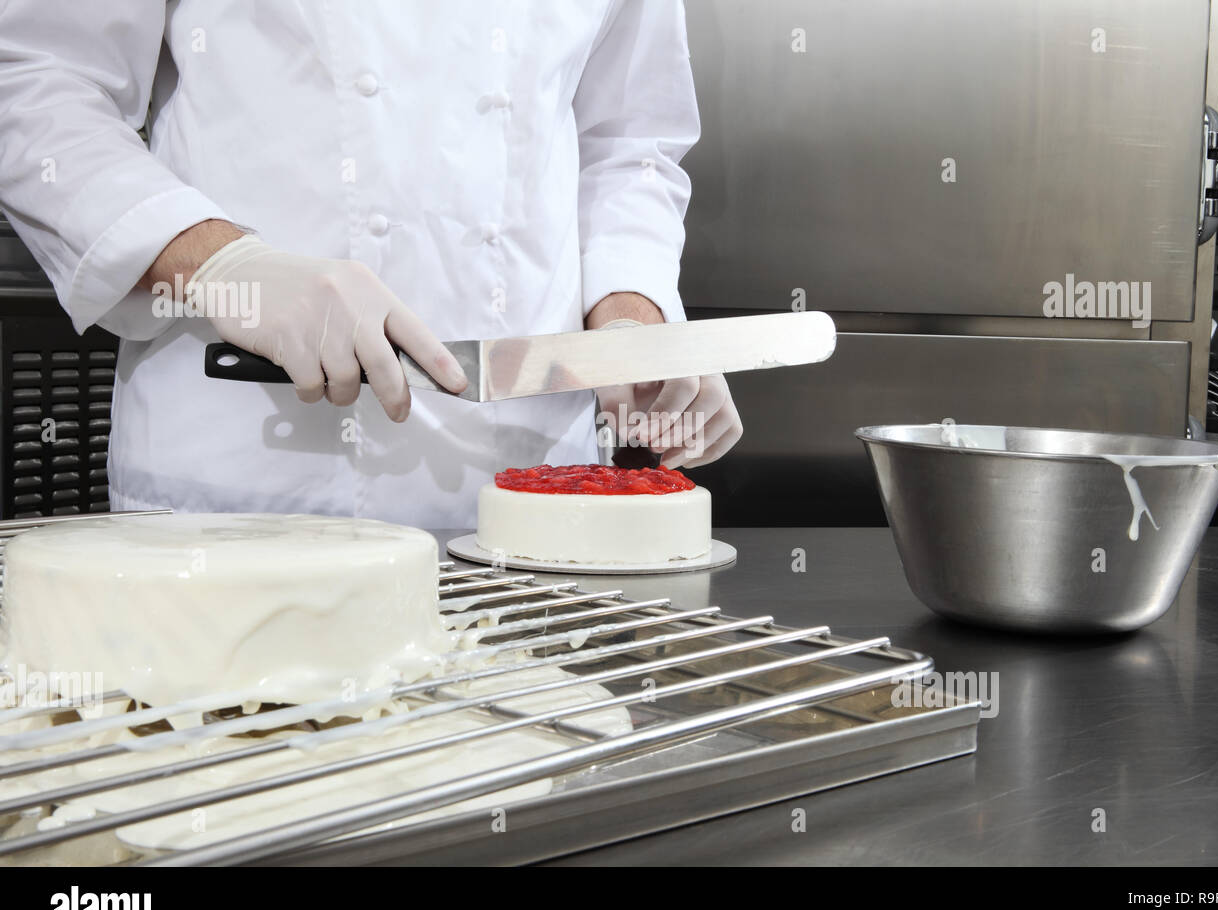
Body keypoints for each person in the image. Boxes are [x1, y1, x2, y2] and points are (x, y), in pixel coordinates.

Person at [0, 2, 742, 528]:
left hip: (529, 495)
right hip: (248, 488)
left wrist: (631, 315)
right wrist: (221, 264)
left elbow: (627, 140)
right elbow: (38, 84)